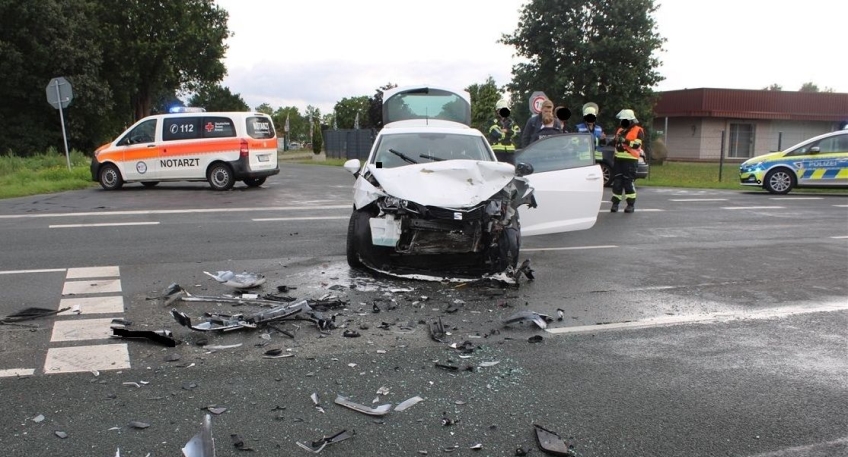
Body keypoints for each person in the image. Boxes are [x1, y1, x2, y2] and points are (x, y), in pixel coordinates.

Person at [610, 109, 645, 213]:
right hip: (618, 159)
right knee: (617, 182)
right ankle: (615, 204)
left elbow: (637, 145)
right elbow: (615, 143)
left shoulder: (638, 130)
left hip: (630, 160)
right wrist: (612, 140)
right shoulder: (620, 130)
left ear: (630, 120)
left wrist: (625, 141)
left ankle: (630, 205)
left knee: (628, 182)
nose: (622, 123)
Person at [488, 99, 521, 163]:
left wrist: (506, 131)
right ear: (497, 111)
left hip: (510, 152)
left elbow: (518, 133)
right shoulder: (492, 121)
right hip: (497, 152)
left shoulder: (511, 122)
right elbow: (498, 134)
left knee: (512, 171)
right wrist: (511, 133)